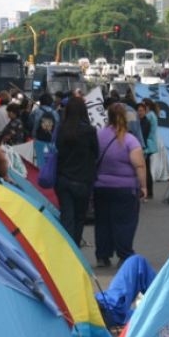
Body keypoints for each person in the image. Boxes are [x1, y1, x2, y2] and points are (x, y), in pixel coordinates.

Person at [93, 103, 146, 268]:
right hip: (124, 187)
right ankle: (124, 254)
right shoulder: (130, 139)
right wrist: (143, 187)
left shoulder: (99, 136)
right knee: (124, 222)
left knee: (102, 222)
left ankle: (103, 255)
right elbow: (139, 165)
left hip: (101, 186)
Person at [55, 96, 98, 245]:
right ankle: (75, 246)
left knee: (67, 216)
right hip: (83, 180)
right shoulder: (90, 131)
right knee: (80, 217)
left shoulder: (61, 129)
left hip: (63, 178)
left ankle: (66, 248)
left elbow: (56, 151)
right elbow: (96, 153)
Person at [137, 99, 159, 199]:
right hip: (151, 143)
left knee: (145, 168)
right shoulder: (153, 115)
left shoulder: (149, 116)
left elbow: (144, 133)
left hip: (147, 145)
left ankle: (147, 190)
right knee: (147, 168)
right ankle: (149, 191)